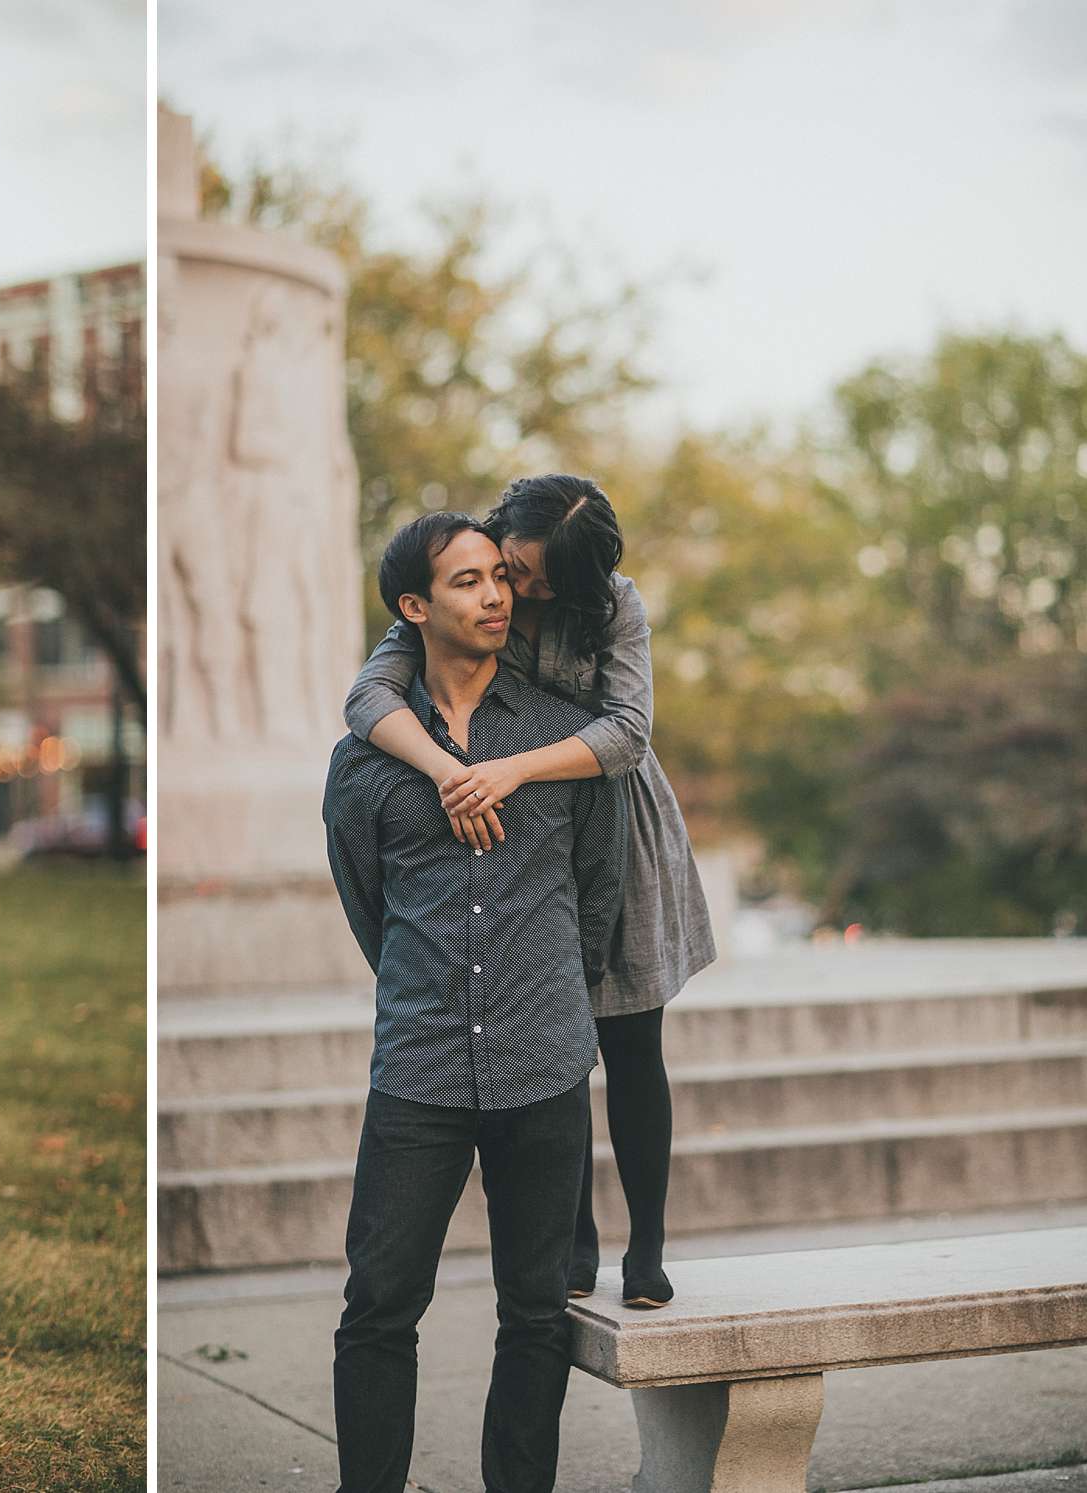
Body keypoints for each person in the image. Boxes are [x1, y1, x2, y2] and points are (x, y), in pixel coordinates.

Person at [342, 474, 714, 1309]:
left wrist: (509, 768)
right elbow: (368, 697)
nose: (522, 591)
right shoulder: (465, 583)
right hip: (515, 822)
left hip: (611, 807)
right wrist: (451, 772)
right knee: (557, 1039)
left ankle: (646, 1246)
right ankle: (572, 1239)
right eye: (518, 568)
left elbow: (627, 730)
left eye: (543, 581)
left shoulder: (614, 604)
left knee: (632, 1037)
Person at [324, 512, 625, 1493]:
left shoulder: (560, 740)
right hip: (418, 1067)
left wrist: (556, 996)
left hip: (542, 1061)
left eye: (498, 575)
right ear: (413, 605)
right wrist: (425, 981)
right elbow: (368, 906)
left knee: (534, 1313)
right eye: (465, 581)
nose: (494, 595)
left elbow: (597, 889)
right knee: (377, 1304)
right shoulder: (367, 763)